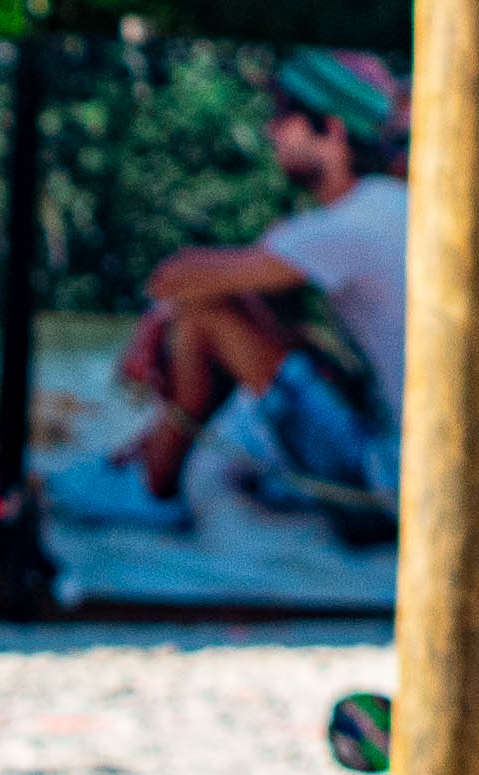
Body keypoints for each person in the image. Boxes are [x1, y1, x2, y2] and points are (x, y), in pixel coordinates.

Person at [48, 49, 409, 537]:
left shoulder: (347, 225)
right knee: (240, 313)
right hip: (397, 462)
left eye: (284, 117)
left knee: (207, 313)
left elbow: (176, 277)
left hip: (382, 488)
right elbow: (256, 304)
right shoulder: (385, 206)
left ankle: (155, 487)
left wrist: (154, 326)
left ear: (333, 131)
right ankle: (146, 462)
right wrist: (161, 320)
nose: (271, 131)